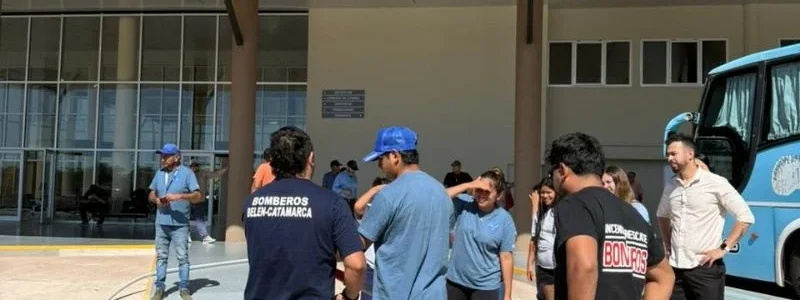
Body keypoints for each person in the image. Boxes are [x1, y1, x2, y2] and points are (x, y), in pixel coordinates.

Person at [242, 126, 365, 300]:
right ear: (311, 158)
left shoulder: (251, 202)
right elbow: (356, 265)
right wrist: (349, 296)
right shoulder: (332, 203)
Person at [547, 132, 674, 300]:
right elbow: (664, 276)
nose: (552, 180)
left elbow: (584, 266)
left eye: (551, 174)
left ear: (562, 170)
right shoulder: (632, 214)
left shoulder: (574, 204)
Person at [359, 126, 453, 299]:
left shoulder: (388, 195)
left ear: (395, 156)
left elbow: (359, 244)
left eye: (381, 159)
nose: (379, 165)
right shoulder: (441, 192)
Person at [658, 133, 755, 300]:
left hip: (705, 269)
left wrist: (723, 248)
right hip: (676, 269)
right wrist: (667, 244)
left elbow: (745, 217)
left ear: (690, 154)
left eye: (674, 154)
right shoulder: (671, 185)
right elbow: (662, 215)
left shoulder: (716, 183)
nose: (669, 158)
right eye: (668, 154)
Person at [445, 169, 516, 300]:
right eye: (479, 189)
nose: (482, 194)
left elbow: (506, 257)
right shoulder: (465, 204)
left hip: (485, 286)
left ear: (499, 195)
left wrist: (507, 294)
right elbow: (442, 195)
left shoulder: (504, 219)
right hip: (456, 281)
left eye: (487, 191)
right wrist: (469, 185)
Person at [147, 143, 203, 300]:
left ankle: (184, 288)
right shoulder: (159, 173)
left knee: (182, 257)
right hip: (161, 223)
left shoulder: (187, 173)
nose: (162, 159)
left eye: (166, 156)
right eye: (162, 156)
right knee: (161, 257)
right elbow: (151, 194)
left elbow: (197, 195)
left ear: (176, 157)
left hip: (180, 225)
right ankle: (159, 288)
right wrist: (156, 199)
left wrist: (180, 196)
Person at [353, 176, 392, 300]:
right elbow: (358, 207)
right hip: (371, 267)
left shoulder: (395, 211)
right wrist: (376, 189)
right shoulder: (369, 210)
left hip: (389, 269)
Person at [527, 177, 558, 300]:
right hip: (541, 267)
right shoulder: (542, 213)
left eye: (548, 192)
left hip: (554, 268)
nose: (545, 196)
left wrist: (535, 206)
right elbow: (534, 238)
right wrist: (530, 264)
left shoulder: (559, 211)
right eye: (542, 193)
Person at [188, 160, 227, 244]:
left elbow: (216, 174)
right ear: (190, 167)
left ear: (198, 166)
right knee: (185, 219)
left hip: (199, 201)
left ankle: (205, 237)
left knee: (199, 220)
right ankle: (187, 236)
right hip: (187, 201)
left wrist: (225, 169)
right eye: (192, 165)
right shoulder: (187, 174)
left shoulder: (203, 173)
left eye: (196, 165)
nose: (194, 167)